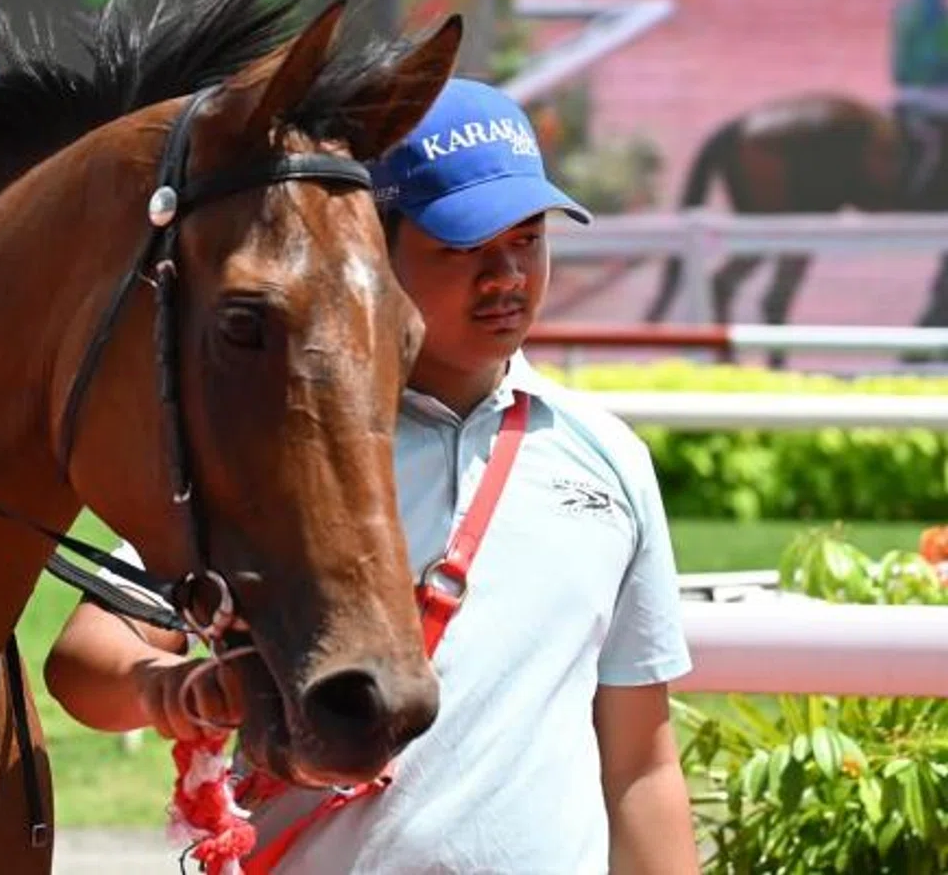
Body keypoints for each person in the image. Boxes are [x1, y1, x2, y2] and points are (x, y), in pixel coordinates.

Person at [45, 79, 698, 874]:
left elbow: (640, 765)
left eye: (527, 240)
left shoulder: (608, 456)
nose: (507, 277)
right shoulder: (279, 441)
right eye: (462, 248)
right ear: (367, 243)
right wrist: (170, 691)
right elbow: (84, 659)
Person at [891, 0, 948, 204]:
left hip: (908, 93)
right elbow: (938, 57)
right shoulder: (937, 8)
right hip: (936, 94)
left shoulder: (906, 4)